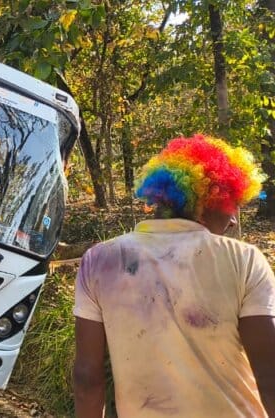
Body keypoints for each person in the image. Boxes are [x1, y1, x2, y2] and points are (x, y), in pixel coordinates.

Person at [72, 134, 274, 417]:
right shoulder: (244, 259)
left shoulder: (98, 261)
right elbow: (269, 374)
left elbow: (87, 378)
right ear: (206, 200)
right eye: (233, 204)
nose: (233, 219)